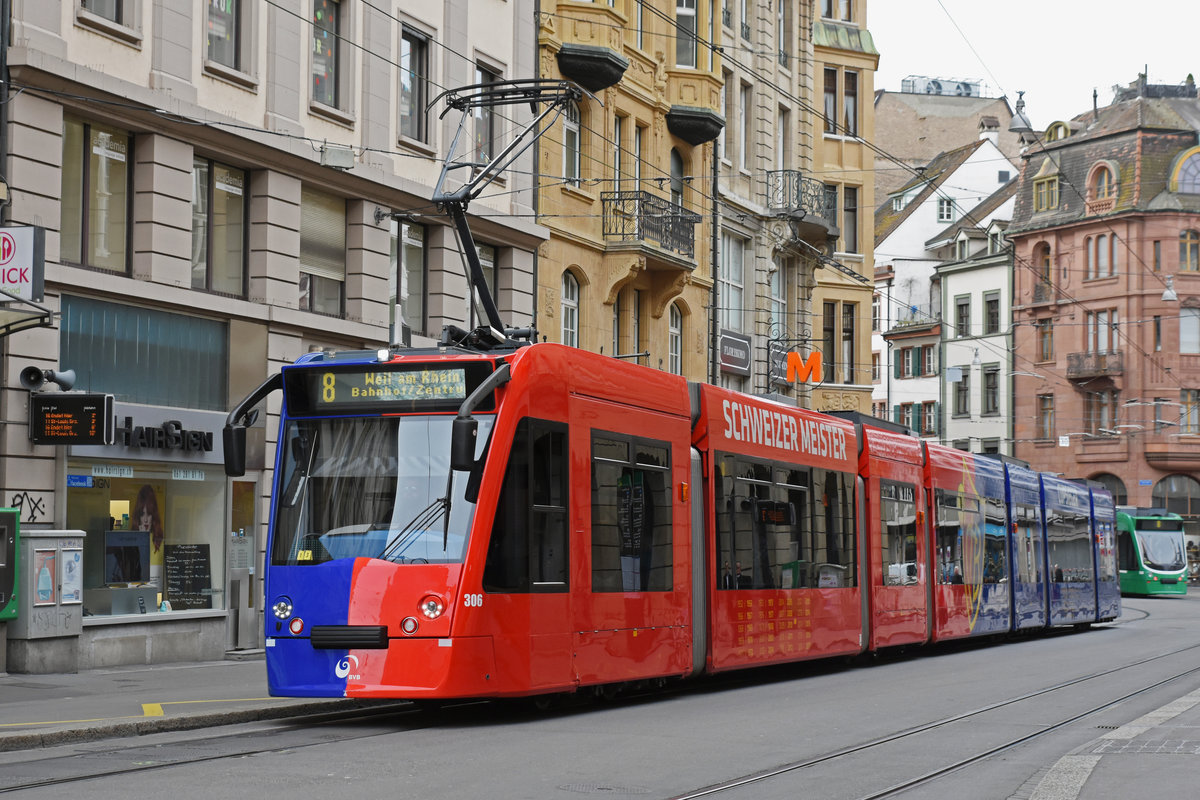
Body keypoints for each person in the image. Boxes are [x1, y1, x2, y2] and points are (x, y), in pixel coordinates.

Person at [133, 484, 164, 553]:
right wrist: (142, 538)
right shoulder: (131, 539)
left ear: (153, 515)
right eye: (142, 514)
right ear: (138, 515)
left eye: (149, 514)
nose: (146, 520)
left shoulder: (160, 540)